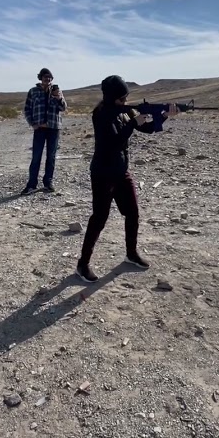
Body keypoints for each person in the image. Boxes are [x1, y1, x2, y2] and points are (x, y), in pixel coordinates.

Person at [76, 75, 176, 283]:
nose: (124, 102)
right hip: (103, 173)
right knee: (99, 219)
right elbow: (112, 142)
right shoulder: (100, 114)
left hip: (121, 171)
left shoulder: (123, 111)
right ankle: (83, 264)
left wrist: (164, 115)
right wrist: (132, 124)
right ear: (111, 97)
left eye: (125, 98)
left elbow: (147, 129)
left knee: (133, 213)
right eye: (121, 99)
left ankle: (131, 254)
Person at [21, 67, 66, 195]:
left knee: (51, 157)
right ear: (40, 78)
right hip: (40, 129)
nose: (48, 79)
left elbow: (63, 108)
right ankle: (31, 184)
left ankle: (48, 183)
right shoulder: (33, 91)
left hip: (54, 128)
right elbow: (27, 109)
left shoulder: (57, 91)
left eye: (50, 77)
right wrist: (32, 123)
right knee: (36, 157)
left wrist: (58, 98)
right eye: (45, 77)